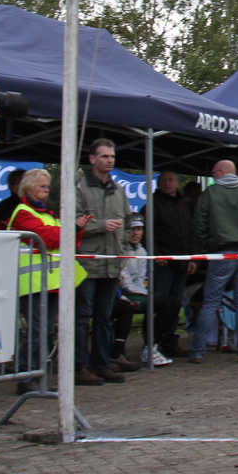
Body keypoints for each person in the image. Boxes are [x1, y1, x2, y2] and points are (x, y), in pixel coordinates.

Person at [4, 167, 86, 393]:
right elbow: (49, 238)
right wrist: (73, 228)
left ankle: (36, 374)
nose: (47, 189)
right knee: (37, 332)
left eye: (48, 186)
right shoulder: (22, 213)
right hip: (32, 284)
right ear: (29, 187)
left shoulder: (47, 214)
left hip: (50, 283)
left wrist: (76, 229)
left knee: (45, 331)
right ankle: (26, 376)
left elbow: (69, 241)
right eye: (42, 186)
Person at [189, 160, 238, 364]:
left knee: (210, 303)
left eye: (213, 173)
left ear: (221, 172)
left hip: (220, 254)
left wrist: (206, 249)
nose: (212, 177)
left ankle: (197, 352)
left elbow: (199, 223)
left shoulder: (210, 194)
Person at [74, 139, 132, 385]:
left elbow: (127, 223)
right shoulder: (79, 188)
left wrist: (123, 251)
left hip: (111, 264)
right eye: (105, 156)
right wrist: (99, 225)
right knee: (81, 317)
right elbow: (72, 222)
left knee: (104, 316)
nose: (110, 160)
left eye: (112, 156)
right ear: (92, 159)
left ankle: (101, 363)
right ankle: (79, 366)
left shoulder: (118, 190)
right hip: (87, 265)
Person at [113, 217, 179, 367]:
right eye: (132, 230)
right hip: (125, 294)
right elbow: (126, 282)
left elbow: (140, 279)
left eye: (139, 229)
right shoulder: (121, 250)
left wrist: (145, 293)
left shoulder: (142, 251)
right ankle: (148, 349)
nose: (135, 233)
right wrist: (144, 296)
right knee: (161, 304)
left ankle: (153, 345)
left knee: (175, 303)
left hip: (138, 291)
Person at [146, 169, 197, 357]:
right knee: (159, 306)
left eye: (170, 180)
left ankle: (169, 342)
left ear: (177, 183)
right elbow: (147, 231)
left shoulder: (183, 205)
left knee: (176, 305)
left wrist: (192, 257)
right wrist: (156, 254)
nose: (167, 183)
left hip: (182, 263)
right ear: (158, 183)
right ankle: (153, 344)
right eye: (164, 180)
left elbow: (191, 233)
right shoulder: (153, 204)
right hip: (163, 265)